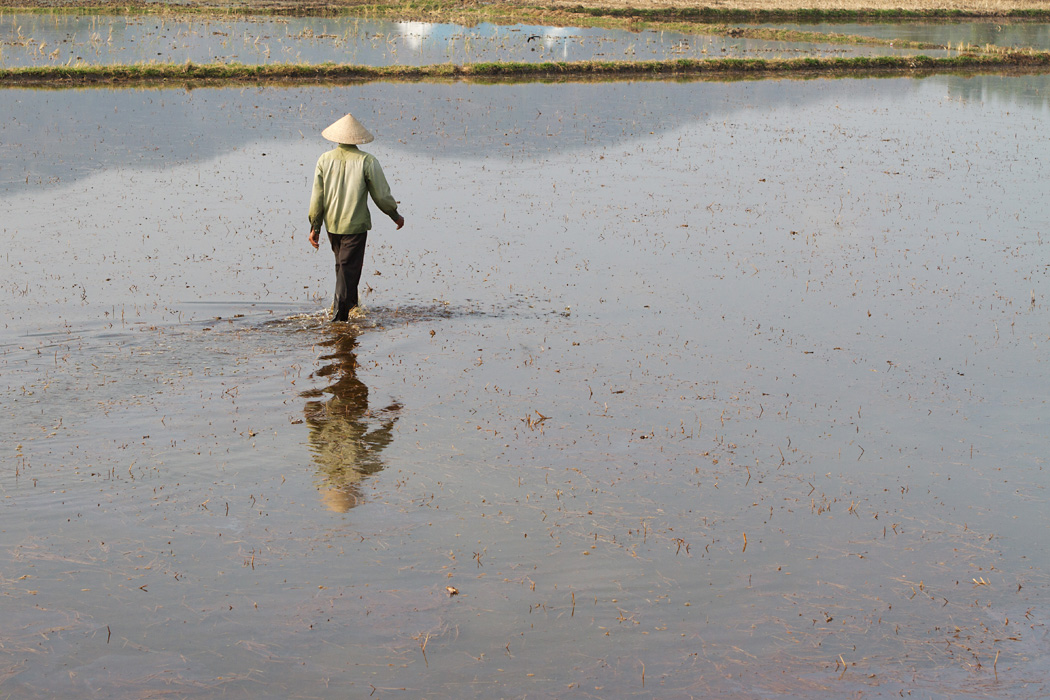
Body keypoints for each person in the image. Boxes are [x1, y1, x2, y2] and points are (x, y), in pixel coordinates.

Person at [307, 113, 405, 322]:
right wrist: (394, 214)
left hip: (332, 226)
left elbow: (318, 197)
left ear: (338, 138)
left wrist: (315, 226)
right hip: (355, 226)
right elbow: (381, 195)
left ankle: (351, 309)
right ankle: (339, 319)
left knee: (343, 268)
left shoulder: (324, 160)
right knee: (346, 269)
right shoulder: (367, 161)